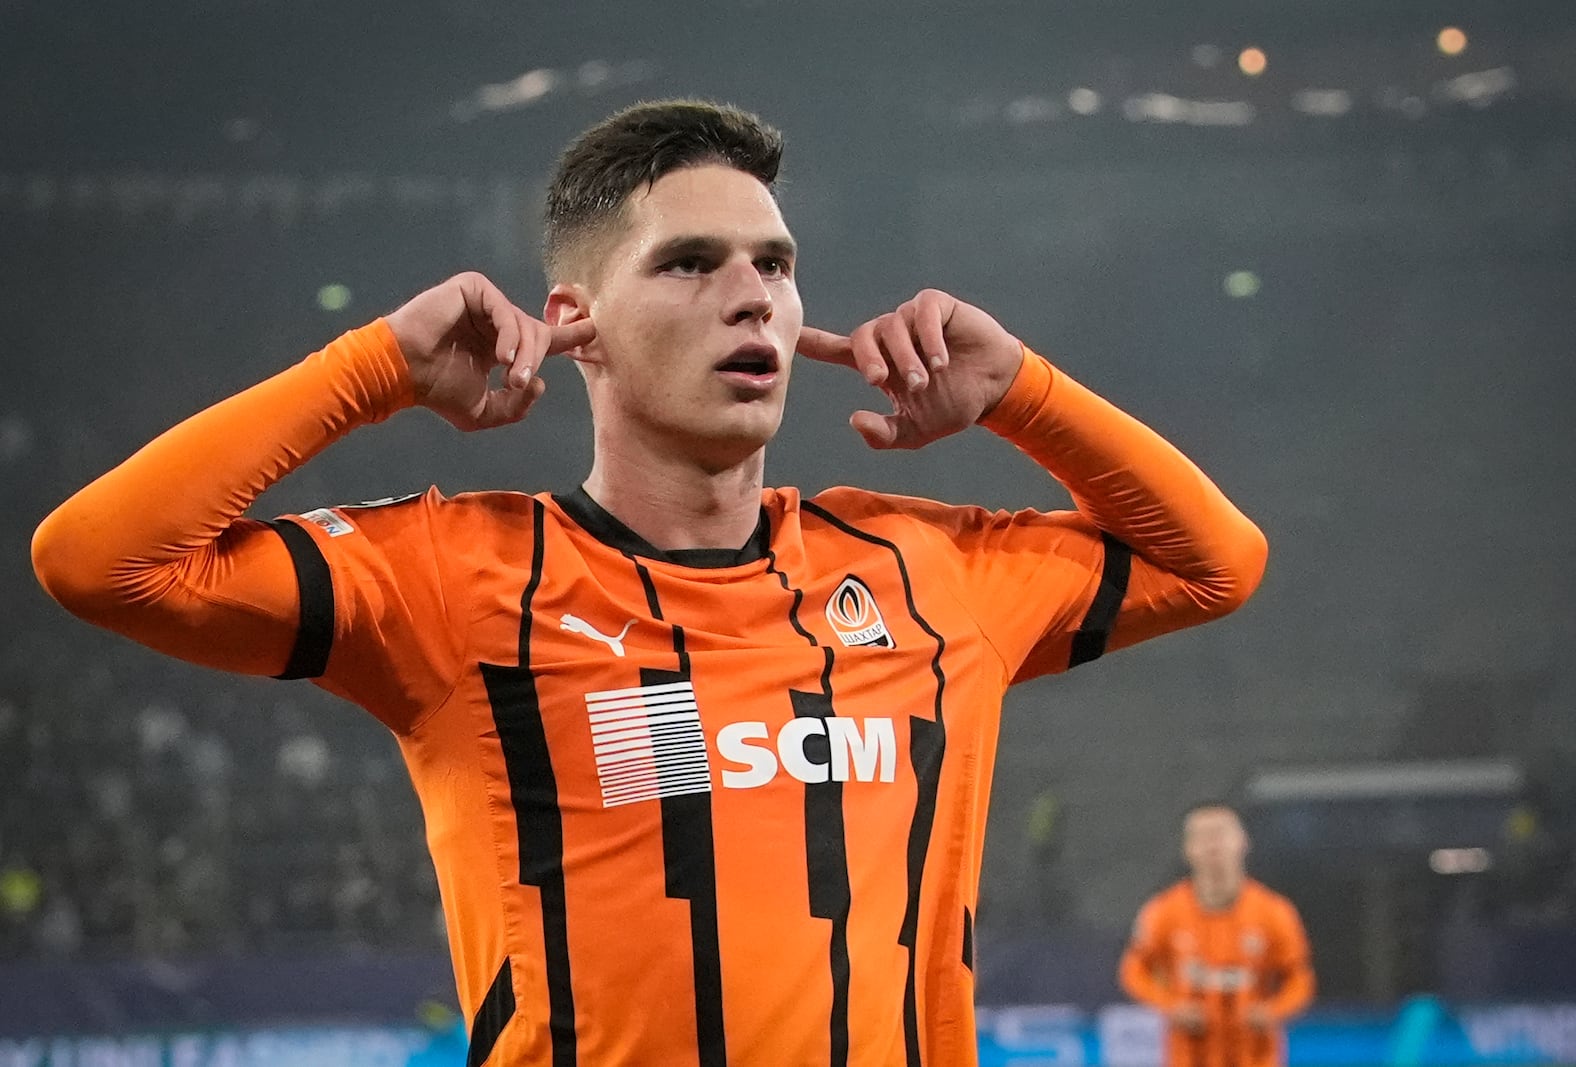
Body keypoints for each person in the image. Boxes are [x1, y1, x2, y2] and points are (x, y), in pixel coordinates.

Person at [33, 100, 1268, 1066]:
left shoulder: (922, 568)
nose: (754, 294)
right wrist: (373, 368)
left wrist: (1022, 393)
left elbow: (1218, 562)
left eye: (775, 264)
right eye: (690, 262)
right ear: (576, 321)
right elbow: (98, 559)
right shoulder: (455, 578)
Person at [1120, 804, 1314, 1067]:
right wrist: (1172, 1006)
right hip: (1190, 1055)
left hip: (1255, 1056)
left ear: (1243, 842)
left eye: (1221, 835)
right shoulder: (1164, 912)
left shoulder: (1274, 912)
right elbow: (1134, 971)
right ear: (1188, 850)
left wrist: (1272, 1011)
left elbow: (1299, 978)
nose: (1213, 847)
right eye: (1202, 838)